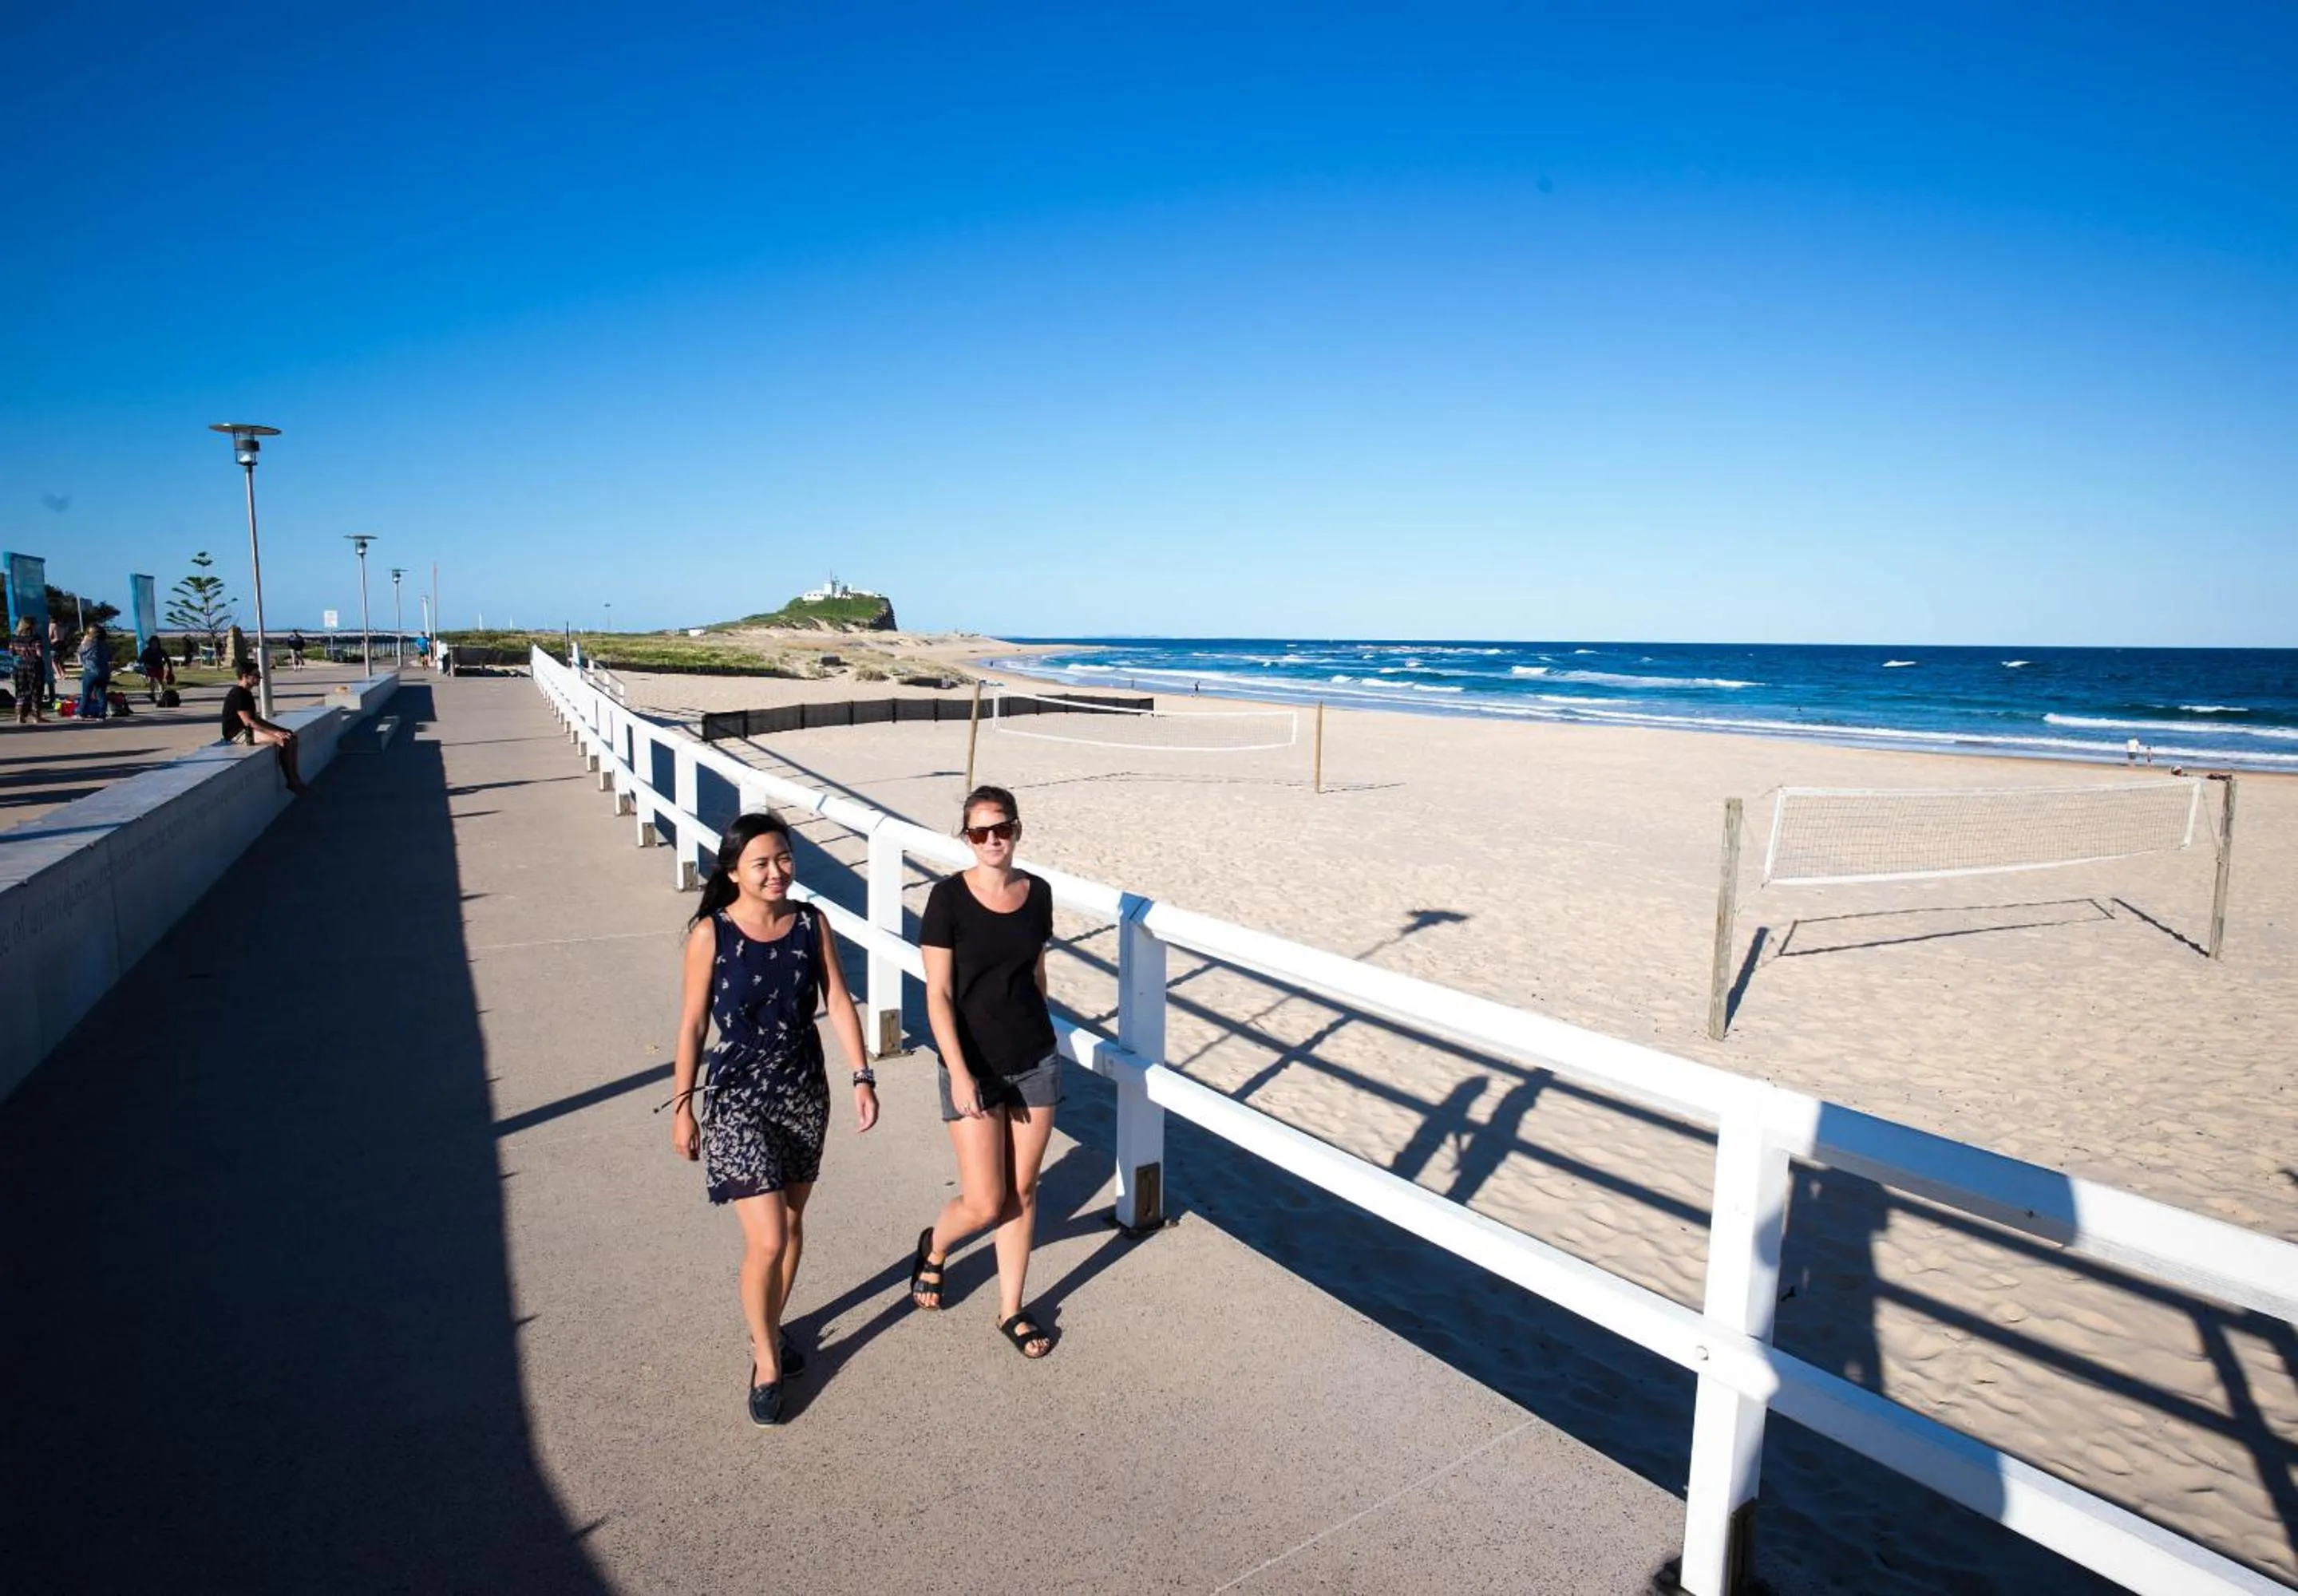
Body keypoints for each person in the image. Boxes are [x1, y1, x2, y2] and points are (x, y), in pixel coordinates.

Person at [669, 810, 877, 1426]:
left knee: (791, 1222)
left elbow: (837, 998)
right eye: (760, 862)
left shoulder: (811, 923)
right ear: (733, 871)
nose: (776, 872)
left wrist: (861, 1075)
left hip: (802, 1091)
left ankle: (772, 1324)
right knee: (768, 1238)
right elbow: (691, 1024)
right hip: (735, 1097)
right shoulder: (712, 933)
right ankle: (764, 1358)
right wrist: (683, 1108)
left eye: (783, 858)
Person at [908, 784, 1059, 1360]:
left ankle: (1011, 1308)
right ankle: (935, 1247)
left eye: (1002, 829)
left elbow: (1036, 973)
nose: (992, 840)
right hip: (972, 1065)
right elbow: (939, 995)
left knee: (1022, 1191)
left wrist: (1042, 1036)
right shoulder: (947, 900)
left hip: (1035, 1058)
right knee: (983, 1202)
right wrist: (959, 1070)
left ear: (1017, 830)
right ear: (965, 838)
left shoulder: (1037, 892)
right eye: (979, 832)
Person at [219, 660, 307, 793]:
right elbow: (248, 722)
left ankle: (295, 777)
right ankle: (291, 781)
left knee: (292, 737)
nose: (259, 678)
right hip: (237, 733)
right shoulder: (238, 694)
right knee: (283, 740)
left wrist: (280, 729)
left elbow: (257, 719)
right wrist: (276, 735)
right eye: (256, 675)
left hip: (247, 729)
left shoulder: (247, 694)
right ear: (245, 676)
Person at [11, 618, 45, 725]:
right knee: (36, 690)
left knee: (21, 690)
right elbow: (39, 653)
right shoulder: (35, 638)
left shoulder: (15, 638)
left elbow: (12, 652)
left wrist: (22, 652)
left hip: (20, 665)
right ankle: (36, 716)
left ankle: (20, 716)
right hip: (34, 665)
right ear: (31, 626)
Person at [77, 625, 110, 721]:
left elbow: (80, 651)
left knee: (86, 694)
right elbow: (109, 657)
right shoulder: (105, 644)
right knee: (101, 694)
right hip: (104, 672)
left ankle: (81, 712)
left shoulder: (88, 643)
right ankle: (102, 714)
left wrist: (83, 641)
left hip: (90, 671)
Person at [137, 634, 171, 705]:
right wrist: (140, 663)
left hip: (159, 667)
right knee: (151, 679)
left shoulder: (161, 651)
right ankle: (152, 694)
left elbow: (168, 660)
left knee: (160, 681)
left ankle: (162, 695)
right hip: (150, 668)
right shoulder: (146, 651)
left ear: (158, 643)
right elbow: (140, 660)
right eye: (153, 643)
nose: (154, 645)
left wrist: (170, 670)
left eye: (156, 643)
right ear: (150, 643)